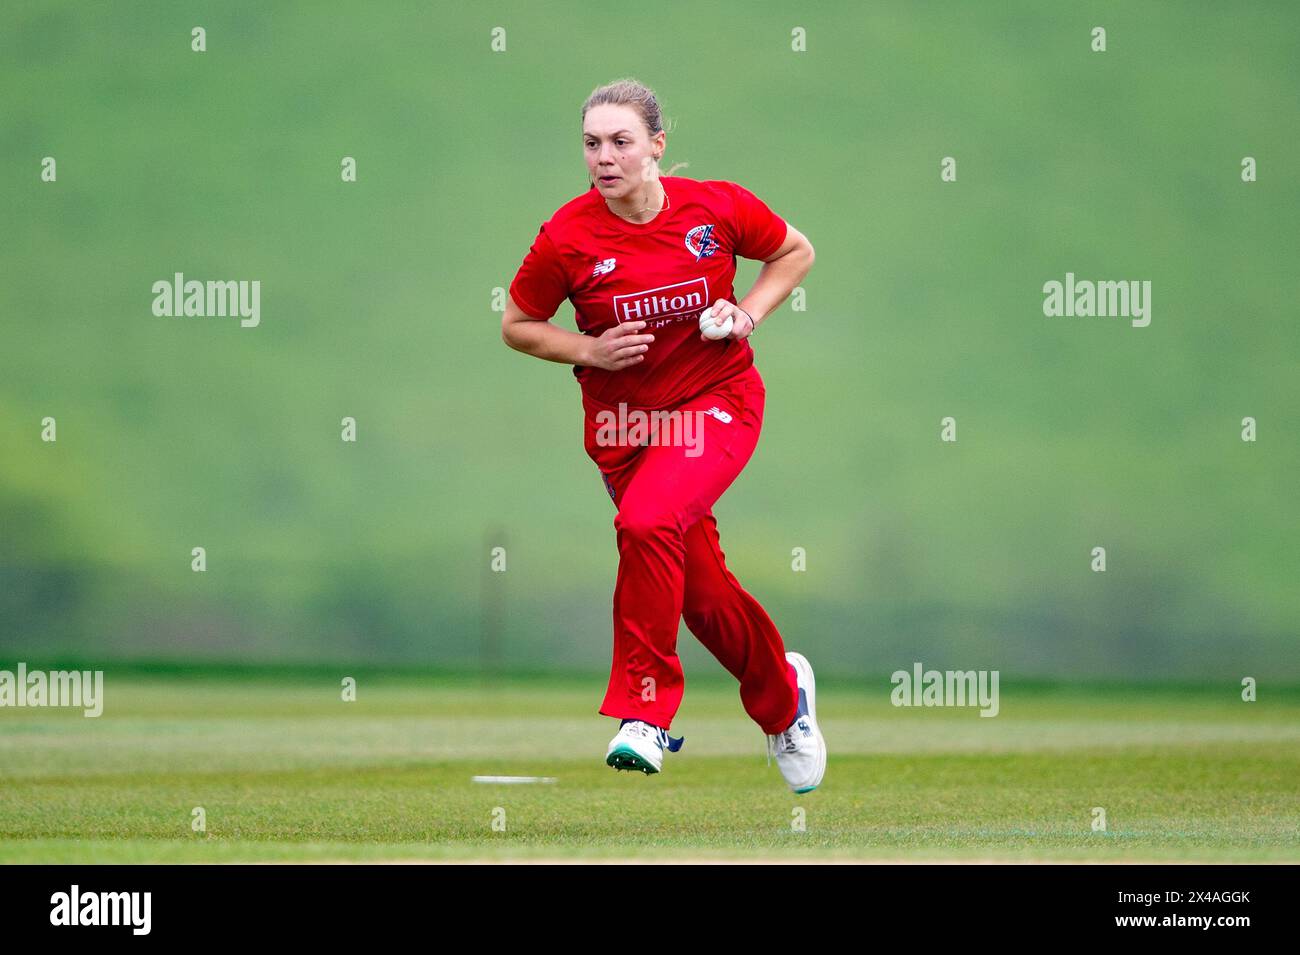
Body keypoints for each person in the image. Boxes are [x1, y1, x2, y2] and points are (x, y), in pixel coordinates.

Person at [502, 78, 825, 793]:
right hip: (626, 431)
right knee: (702, 595)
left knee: (646, 520)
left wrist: (745, 315)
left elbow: (794, 252)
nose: (604, 158)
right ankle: (784, 699)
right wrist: (589, 351)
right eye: (592, 144)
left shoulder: (717, 207)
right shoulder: (567, 236)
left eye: (621, 142)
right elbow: (517, 325)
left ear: (657, 145)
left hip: (718, 402)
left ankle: (645, 713)